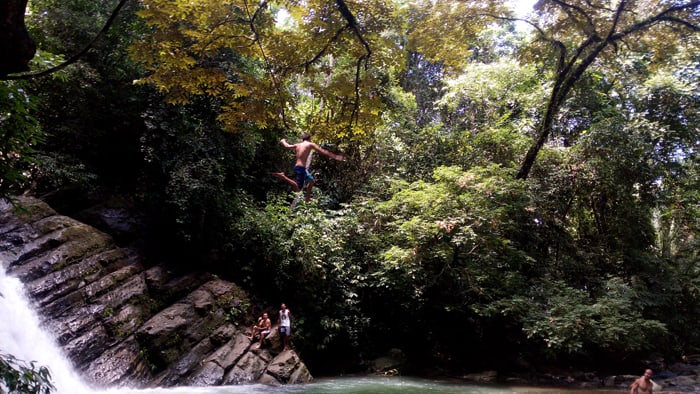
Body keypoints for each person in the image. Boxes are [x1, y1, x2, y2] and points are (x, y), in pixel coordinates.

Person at [273, 133, 345, 203]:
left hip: (299, 168)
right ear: (309, 138)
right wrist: (336, 157)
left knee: (311, 181)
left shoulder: (298, 145)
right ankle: (283, 176)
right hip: (300, 169)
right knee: (297, 189)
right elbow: (323, 151)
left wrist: (283, 141)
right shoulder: (310, 144)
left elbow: (287, 146)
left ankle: (307, 199)